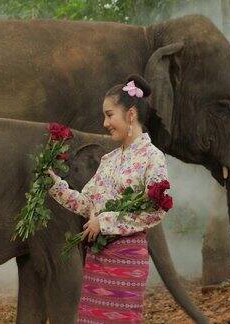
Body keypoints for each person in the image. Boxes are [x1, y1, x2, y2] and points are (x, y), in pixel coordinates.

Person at [47, 75, 170, 323]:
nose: (105, 123)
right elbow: (86, 204)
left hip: (127, 260)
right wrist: (53, 184)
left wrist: (105, 222)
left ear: (131, 115)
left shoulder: (152, 158)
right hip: (97, 258)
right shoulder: (109, 159)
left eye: (109, 114)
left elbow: (155, 211)